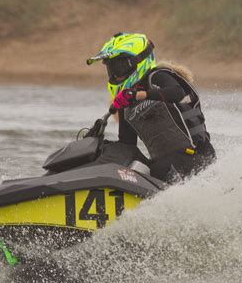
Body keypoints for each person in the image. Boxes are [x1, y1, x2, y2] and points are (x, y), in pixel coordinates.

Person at [86, 32, 215, 182]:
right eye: (111, 69)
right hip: (164, 168)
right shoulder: (126, 102)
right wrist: (99, 145)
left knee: (162, 169)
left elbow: (177, 93)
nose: (116, 75)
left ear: (137, 61)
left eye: (119, 67)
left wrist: (141, 95)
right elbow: (127, 145)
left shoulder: (157, 76)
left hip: (196, 158)